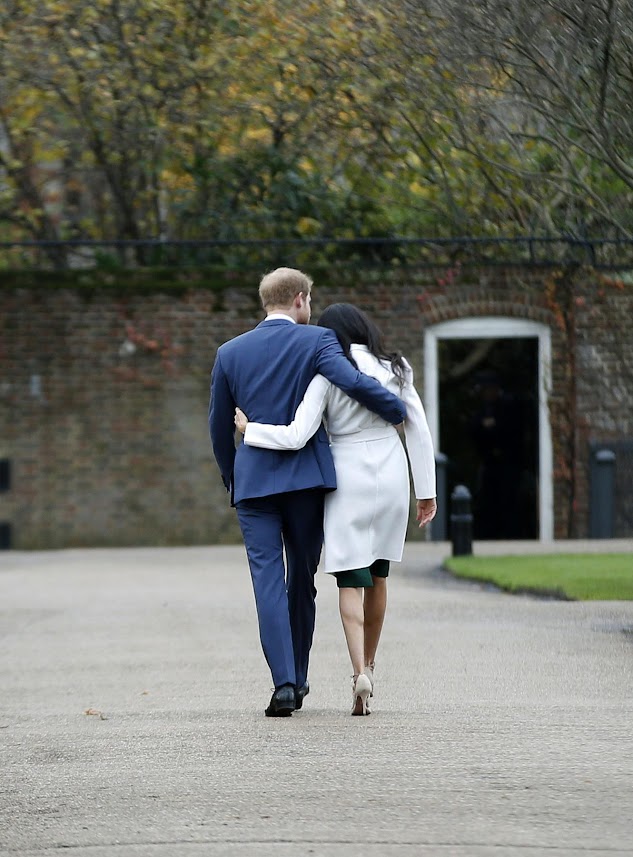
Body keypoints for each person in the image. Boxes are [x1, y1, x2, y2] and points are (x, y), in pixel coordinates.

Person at [209, 269, 406, 718]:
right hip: (305, 481)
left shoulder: (229, 352)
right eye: (310, 300)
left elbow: (219, 427)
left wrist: (232, 475)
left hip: (254, 483)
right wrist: (395, 408)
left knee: (266, 580)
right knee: (302, 579)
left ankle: (284, 683)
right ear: (299, 299)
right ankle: (298, 677)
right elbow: (352, 382)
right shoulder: (318, 341)